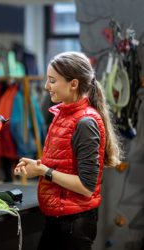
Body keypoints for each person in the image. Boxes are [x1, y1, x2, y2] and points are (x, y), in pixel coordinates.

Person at [14, 52, 121, 250]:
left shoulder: (85, 122)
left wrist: (44, 171)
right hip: (60, 219)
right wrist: (37, 166)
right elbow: (64, 162)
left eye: (52, 81)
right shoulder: (63, 115)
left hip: (74, 224)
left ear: (73, 84)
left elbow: (85, 187)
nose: (46, 86)